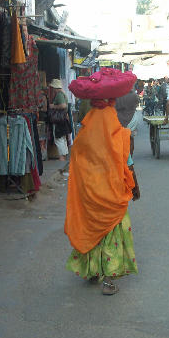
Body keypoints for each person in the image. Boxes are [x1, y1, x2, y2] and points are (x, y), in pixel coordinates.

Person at [65, 68, 141, 296]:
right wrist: (135, 186)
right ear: (111, 106)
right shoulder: (118, 133)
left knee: (93, 229)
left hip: (90, 193)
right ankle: (108, 279)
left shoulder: (83, 136)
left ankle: (92, 272)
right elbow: (128, 163)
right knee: (112, 233)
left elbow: (77, 164)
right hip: (113, 193)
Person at [48, 79, 71, 162]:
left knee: (58, 139)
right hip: (63, 120)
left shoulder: (59, 95)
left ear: (55, 87)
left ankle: (62, 158)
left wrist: (53, 106)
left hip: (59, 120)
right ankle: (63, 157)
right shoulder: (63, 94)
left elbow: (63, 105)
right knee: (62, 138)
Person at [115, 84, 140, 154]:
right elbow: (137, 103)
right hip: (132, 119)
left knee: (121, 139)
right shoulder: (134, 95)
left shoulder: (117, 95)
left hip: (120, 119)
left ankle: (123, 156)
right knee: (131, 139)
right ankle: (130, 159)